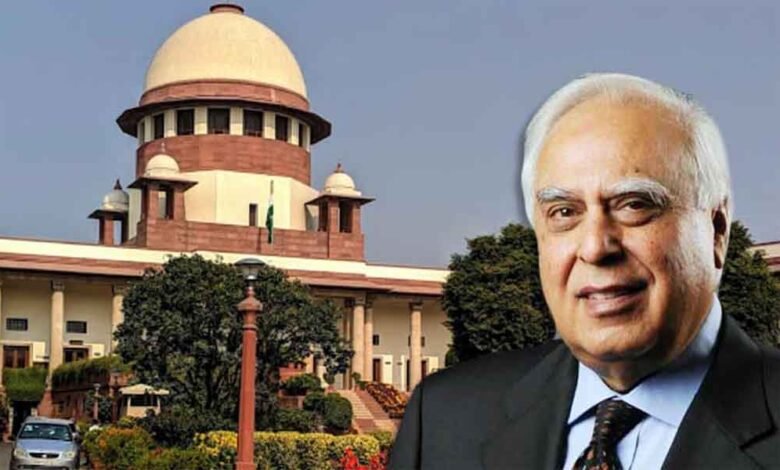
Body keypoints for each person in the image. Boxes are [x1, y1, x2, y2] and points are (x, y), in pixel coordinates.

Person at [388, 73, 780, 469]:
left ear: (716, 230)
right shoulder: (443, 421)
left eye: (634, 205)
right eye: (564, 212)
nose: (594, 247)